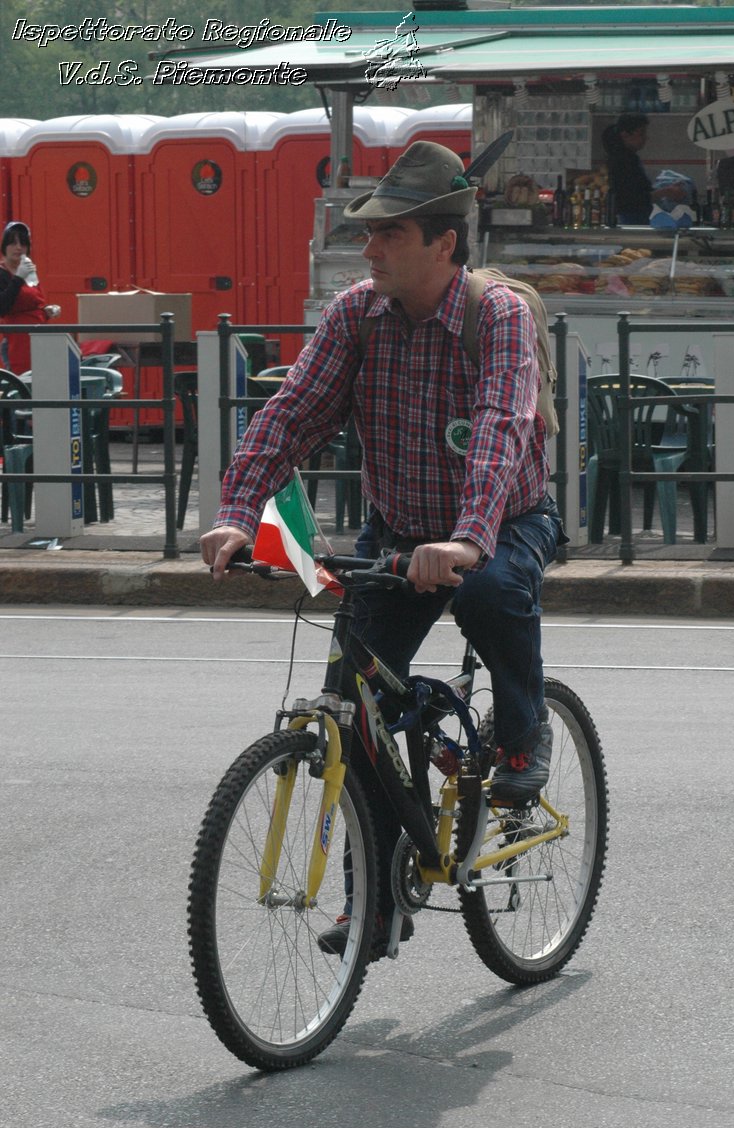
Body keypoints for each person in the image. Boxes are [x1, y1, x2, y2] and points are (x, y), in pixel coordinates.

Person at [200, 141, 566, 954]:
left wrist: (469, 539)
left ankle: (522, 728)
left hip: (501, 523)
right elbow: (291, 413)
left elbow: (500, 435)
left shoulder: (493, 316)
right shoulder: (354, 313)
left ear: (444, 243)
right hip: (398, 534)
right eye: (368, 235)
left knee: (488, 592)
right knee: (351, 710)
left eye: (388, 235)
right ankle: (372, 903)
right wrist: (237, 511)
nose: (368, 250)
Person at [602, 114, 687, 224]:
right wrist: (665, 192)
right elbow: (629, 199)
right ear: (625, 135)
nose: (645, 138)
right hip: (631, 220)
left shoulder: (629, 158)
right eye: (641, 133)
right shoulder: (622, 161)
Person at [0, 221, 60, 375]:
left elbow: (36, 303)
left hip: (39, 338)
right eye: (13, 243)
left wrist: (47, 310)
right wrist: (19, 277)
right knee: (21, 386)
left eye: (23, 244)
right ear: (4, 247)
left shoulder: (30, 270)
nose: (19, 248)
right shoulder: (3, 273)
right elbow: (2, 307)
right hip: (16, 342)